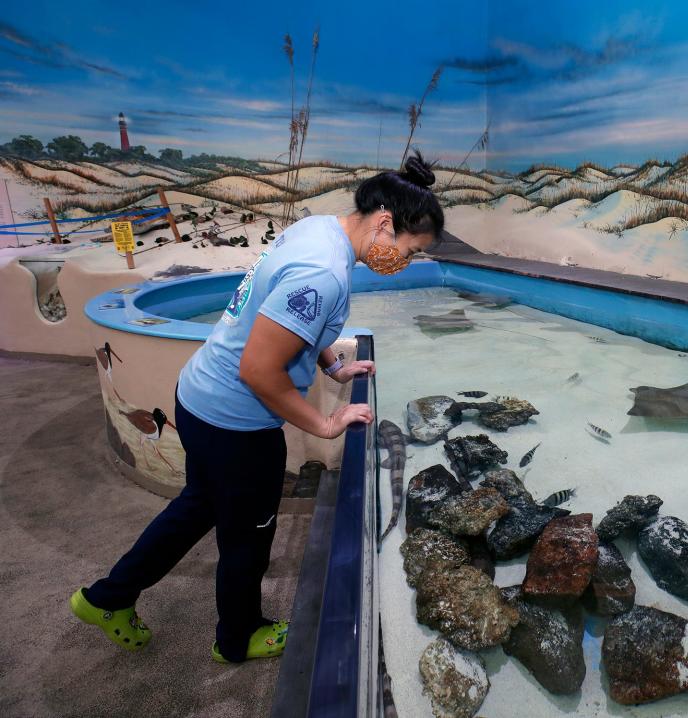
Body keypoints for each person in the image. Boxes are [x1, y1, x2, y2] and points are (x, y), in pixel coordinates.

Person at [69, 152, 444, 663]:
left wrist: (333, 367)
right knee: (247, 539)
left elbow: (287, 322)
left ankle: (105, 598)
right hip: (236, 422)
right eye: (409, 250)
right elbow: (260, 370)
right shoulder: (324, 272)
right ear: (384, 224)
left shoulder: (320, 231)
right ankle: (239, 637)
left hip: (199, 395)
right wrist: (325, 421)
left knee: (196, 507)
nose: (404, 262)